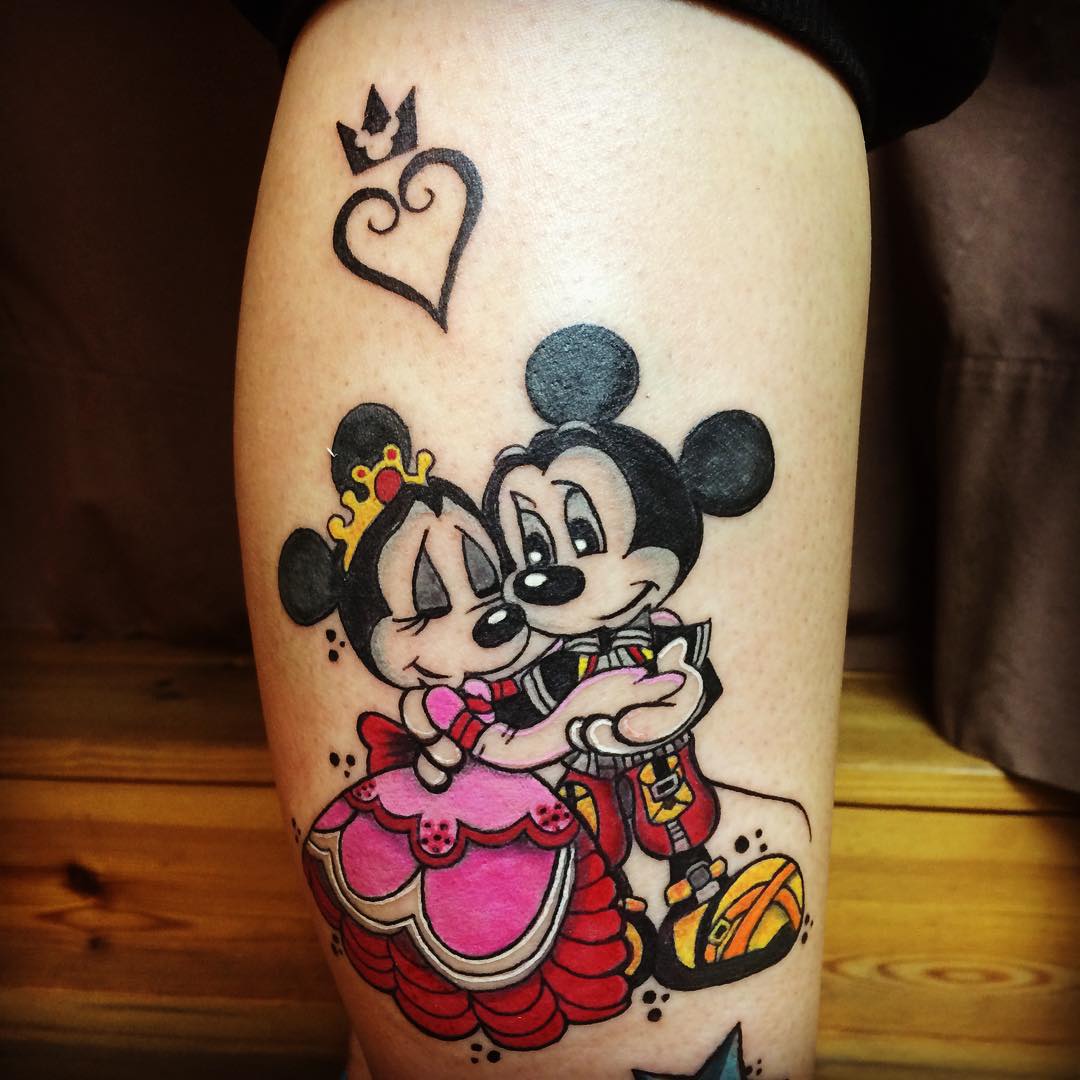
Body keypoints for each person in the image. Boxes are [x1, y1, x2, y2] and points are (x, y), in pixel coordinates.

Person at [234, 3, 1001, 1077]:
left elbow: (659, 706)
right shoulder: (483, 696)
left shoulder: (607, 643)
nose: (522, 588)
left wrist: (638, 709)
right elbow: (509, 741)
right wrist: (576, 717)